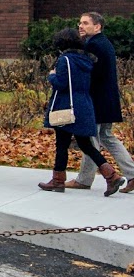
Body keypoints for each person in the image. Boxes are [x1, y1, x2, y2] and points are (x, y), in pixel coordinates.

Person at [38, 28, 124, 196]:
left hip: (66, 106)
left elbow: (62, 84)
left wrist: (51, 75)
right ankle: (111, 175)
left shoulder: (65, 60)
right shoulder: (86, 59)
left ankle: (57, 181)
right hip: (84, 104)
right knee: (86, 145)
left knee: (61, 145)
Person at [69, 12, 134, 194]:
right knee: (106, 136)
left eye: (85, 23)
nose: (80, 26)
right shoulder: (103, 43)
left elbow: (90, 74)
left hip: (96, 100)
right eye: (79, 22)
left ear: (97, 27)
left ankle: (84, 180)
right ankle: (132, 174)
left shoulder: (94, 45)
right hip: (108, 100)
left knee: (91, 138)